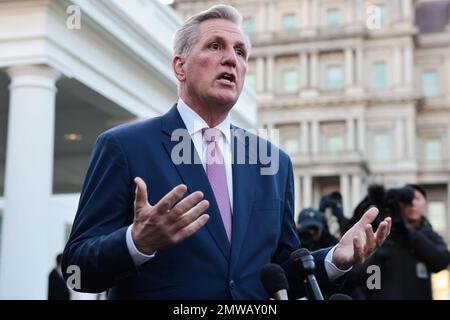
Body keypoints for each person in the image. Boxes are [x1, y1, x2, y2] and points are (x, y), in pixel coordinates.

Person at [62, 4, 391, 299]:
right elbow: (78, 268)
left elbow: (279, 274)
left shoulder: (274, 163)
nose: (231, 59)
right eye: (215, 46)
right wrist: (137, 242)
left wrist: (334, 259)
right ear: (180, 67)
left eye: (241, 52)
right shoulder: (124, 146)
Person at [344, 184, 450, 299]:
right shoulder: (380, 233)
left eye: (417, 199)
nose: (412, 203)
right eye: (407, 200)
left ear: (425, 205)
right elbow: (355, 277)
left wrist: (408, 232)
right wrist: (378, 255)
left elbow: (441, 262)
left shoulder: (428, 234)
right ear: (399, 205)